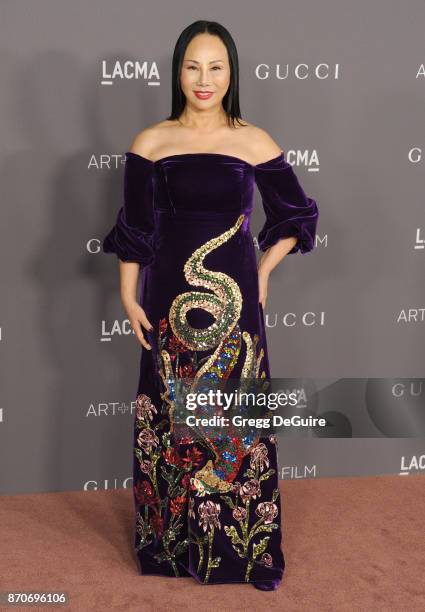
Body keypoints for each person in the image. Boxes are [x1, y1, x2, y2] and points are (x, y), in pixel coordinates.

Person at [102, 20, 319, 591]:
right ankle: (169, 546)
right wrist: (128, 292)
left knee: (232, 422)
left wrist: (263, 271)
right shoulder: (151, 141)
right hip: (167, 299)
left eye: (216, 67)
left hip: (234, 304)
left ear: (231, 73)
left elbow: (296, 215)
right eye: (193, 66)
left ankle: (239, 550)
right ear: (178, 71)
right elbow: (136, 231)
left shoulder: (253, 140)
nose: (204, 79)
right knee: (171, 418)